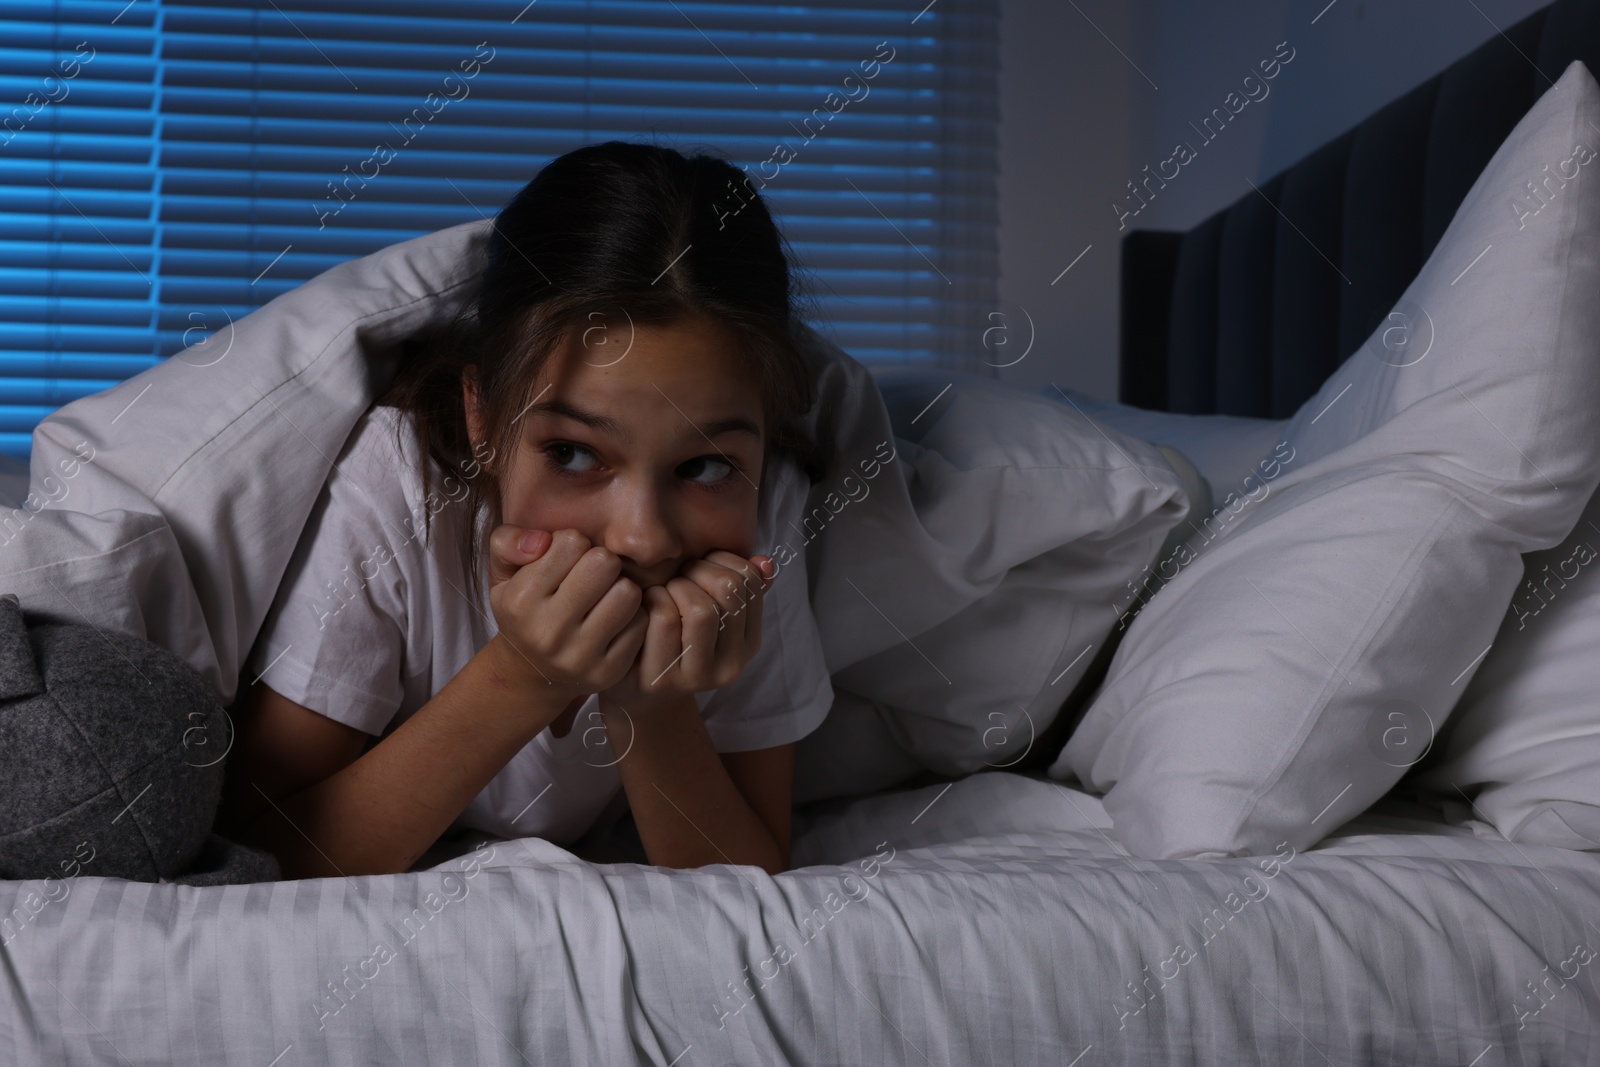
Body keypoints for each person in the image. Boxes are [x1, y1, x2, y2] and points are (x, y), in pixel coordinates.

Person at [215, 141, 836, 879]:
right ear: (482, 418)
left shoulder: (764, 513)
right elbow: (258, 854)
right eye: (573, 453)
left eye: (703, 466)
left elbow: (748, 873)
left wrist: (651, 707)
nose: (640, 536)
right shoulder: (396, 489)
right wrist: (523, 675)